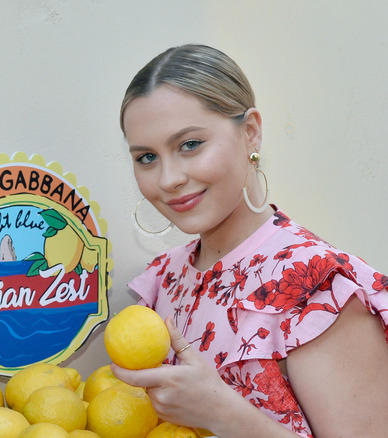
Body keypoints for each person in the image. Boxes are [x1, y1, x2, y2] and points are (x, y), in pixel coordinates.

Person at [113, 44, 388, 437]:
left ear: (251, 131)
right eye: (146, 157)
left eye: (189, 145)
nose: (168, 178)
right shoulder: (165, 278)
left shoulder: (315, 286)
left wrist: (222, 413)